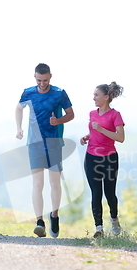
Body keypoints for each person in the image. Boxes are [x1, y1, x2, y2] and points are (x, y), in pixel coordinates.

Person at [15, 63, 74, 238]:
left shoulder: (59, 93)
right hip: (34, 143)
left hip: (54, 142)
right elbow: (19, 108)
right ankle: (39, 221)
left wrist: (59, 121)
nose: (42, 83)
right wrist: (18, 128)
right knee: (37, 184)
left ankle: (54, 216)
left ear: (51, 77)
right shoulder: (28, 92)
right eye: (39, 80)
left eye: (45, 80)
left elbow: (71, 114)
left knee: (54, 183)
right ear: (35, 77)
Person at [80, 82, 125, 238]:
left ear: (106, 97)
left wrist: (101, 129)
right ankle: (99, 228)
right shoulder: (92, 113)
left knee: (110, 193)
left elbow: (121, 138)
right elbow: (94, 132)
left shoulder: (115, 115)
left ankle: (114, 219)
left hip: (109, 158)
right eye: (94, 95)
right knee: (96, 193)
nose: (94, 98)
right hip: (92, 156)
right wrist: (88, 136)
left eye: (96, 95)